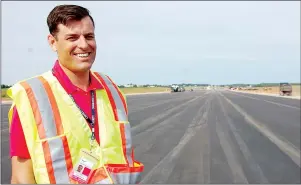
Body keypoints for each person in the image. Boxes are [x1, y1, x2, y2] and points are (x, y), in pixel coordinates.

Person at [7, 4, 143, 184]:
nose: (84, 45)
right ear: (53, 42)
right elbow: (20, 177)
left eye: (89, 36)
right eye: (72, 37)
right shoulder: (32, 97)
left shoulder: (112, 90)